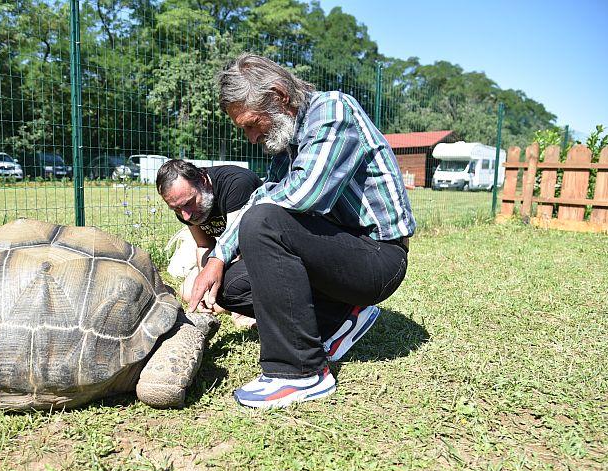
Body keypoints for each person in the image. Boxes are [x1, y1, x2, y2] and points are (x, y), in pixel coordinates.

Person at [189, 53, 416, 408]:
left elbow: (303, 195)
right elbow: (266, 193)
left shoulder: (335, 111)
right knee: (229, 286)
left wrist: (251, 217)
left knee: (263, 221)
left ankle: (300, 373)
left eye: (251, 123)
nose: (250, 137)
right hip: (335, 253)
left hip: (377, 260)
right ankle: (342, 316)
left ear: (280, 95)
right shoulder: (289, 140)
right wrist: (217, 258)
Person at [156, 159, 261, 326]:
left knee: (223, 294)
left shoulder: (236, 184)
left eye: (188, 203)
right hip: (224, 254)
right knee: (188, 292)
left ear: (203, 181)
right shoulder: (184, 208)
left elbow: (237, 245)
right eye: (176, 208)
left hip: (256, 249)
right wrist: (205, 284)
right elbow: (204, 245)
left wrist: (237, 311)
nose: (186, 216)